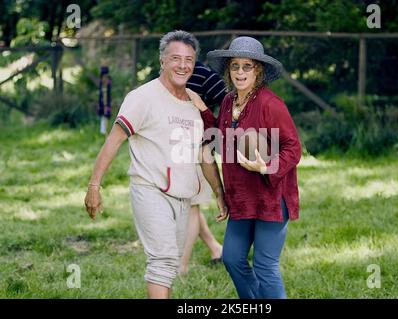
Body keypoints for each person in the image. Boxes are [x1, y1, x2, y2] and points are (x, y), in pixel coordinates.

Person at [84, 30, 227, 299]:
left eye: (189, 59)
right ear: (162, 60)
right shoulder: (142, 97)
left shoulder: (194, 104)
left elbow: (204, 155)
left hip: (184, 196)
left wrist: (219, 193)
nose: (182, 65)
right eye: (175, 58)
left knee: (170, 264)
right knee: (162, 260)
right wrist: (94, 185)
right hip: (150, 190)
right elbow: (113, 141)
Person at [187, 36, 302, 299]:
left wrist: (266, 167)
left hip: (271, 197)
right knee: (231, 258)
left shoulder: (271, 105)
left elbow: (293, 148)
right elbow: (220, 137)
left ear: (258, 70)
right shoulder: (228, 102)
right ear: (228, 70)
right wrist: (204, 108)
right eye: (235, 66)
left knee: (265, 266)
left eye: (247, 66)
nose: (240, 72)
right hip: (241, 196)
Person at [179, 61, 227, 274]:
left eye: (187, 56)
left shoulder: (204, 74)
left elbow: (228, 103)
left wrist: (208, 121)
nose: (181, 61)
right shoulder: (168, 71)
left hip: (199, 146)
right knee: (188, 202)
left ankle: (182, 266)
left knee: (190, 205)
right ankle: (216, 248)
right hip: (175, 146)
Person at [98, 66, 112, 135]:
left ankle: (106, 131)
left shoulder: (108, 81)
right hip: (102, 102)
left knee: (106, 115)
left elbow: (108, 93)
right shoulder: (102, 82)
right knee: (103, 116)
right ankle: (104, 131)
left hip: (106, 102)